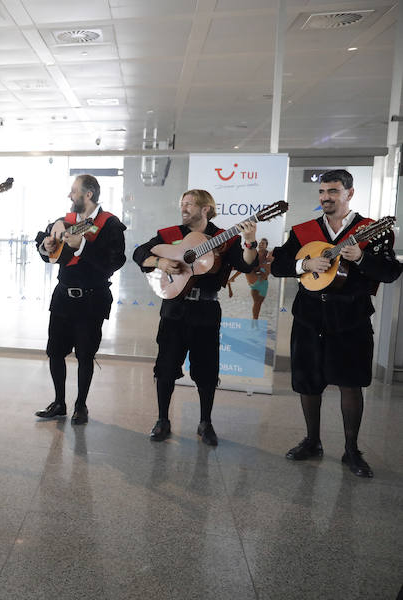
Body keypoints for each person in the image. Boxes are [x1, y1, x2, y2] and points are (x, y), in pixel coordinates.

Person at [270, 169, 402, 478]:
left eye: (333, 191)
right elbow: (278, 266)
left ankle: (351, 450)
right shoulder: (303, 230)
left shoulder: (373, 230)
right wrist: (304, 264)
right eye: (322, 192)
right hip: (308, 316)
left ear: (349, 193)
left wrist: (360, 259)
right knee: (307, 382)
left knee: (350, 383)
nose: (326, 197)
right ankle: (312, 441)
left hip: (351, 318)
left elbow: (391, 273)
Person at [133, 189, 258, 446]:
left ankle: (205, 422)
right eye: (182, 204)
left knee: (206, 371)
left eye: (189, 204)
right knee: (166, 367)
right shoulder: (169, 235)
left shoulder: (223, 238)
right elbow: (139, 253)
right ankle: (162, 420)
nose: (184, 208)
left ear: (206, 209)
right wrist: (160, 263)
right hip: (174, 311)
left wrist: (249, 241)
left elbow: (247, 265)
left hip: (206, 311)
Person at [33, 174, 127, 424]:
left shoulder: (110, 224)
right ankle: (59, 402)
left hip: (92, 299)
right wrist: (47, 244)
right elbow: (42, 245)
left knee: (85, 354)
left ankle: (81, 405)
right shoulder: (65, 221)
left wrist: (83, 248)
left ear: (89, 195)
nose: (69, 195)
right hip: (63, 296)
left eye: (74, 191)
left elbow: (115, 260)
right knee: (54, 352)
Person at [227, 238, 272, 321]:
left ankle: (255, 324)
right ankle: (231, 278)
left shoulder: (268, 256)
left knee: (257, 304)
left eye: (263, 243)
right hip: (255, 280)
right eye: (260, 243)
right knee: (247, 266)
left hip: (263, 284)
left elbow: (267, 270)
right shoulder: (255, 255)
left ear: (266, 246)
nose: (261, 244)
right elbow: (259, 269)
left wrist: (262, 270)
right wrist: (261, 269)